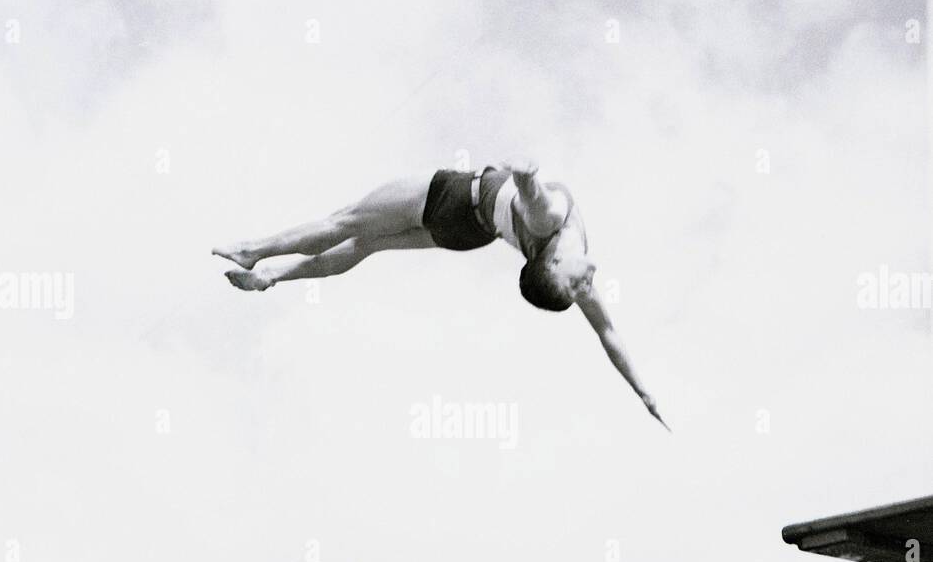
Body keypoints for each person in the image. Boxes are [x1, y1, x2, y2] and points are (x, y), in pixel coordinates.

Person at [213, 161, 669, 427]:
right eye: (578, 287)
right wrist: (643, 393)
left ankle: (254, 251)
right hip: (466, 234)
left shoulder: (550, 222)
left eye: (575, 286)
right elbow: (608, 333)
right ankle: (273, 277)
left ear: (549, 264)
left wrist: (528, 176)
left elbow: (536, 200)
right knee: (364, 247)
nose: (586, 287)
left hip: (454, 199)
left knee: (347, 222)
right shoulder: (558, 257)